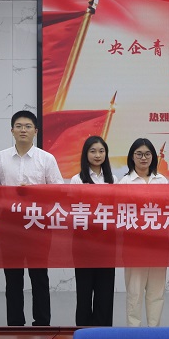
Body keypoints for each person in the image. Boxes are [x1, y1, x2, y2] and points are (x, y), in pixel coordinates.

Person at [0, 110, 63, 327]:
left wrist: (35, 191)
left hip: (38, 223)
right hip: (10, 225)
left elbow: (58, 191)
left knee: (39, 276)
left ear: (36, 131)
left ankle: (42, 324)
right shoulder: (0, 157)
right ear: (12, 131)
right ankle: (15, 325)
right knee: (12, 278)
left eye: (27, 126)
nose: (23, 130)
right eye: (19, 126)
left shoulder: (46, 158)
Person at [118, 138, 169, 327]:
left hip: (159, 246)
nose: (143, 158)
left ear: (153, 157)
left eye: (147, 154)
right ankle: (134, 334)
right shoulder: (124, 182)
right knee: (135, 292)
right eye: (139, 154)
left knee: (157, 293)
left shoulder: (162, 181)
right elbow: (120, 214)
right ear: (132, 157)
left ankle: (154, 333)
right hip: (134, 247)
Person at [70, 135, 116, 326]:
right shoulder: (77, 179)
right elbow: (72, 210)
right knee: (84, 291)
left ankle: (103, 334)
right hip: (83, 243)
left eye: (101, 151)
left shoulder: (113, 179)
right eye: (93, 151)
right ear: (85, 154)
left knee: (105, 292)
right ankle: (83, 332)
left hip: (107, 244)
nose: (97, 155)